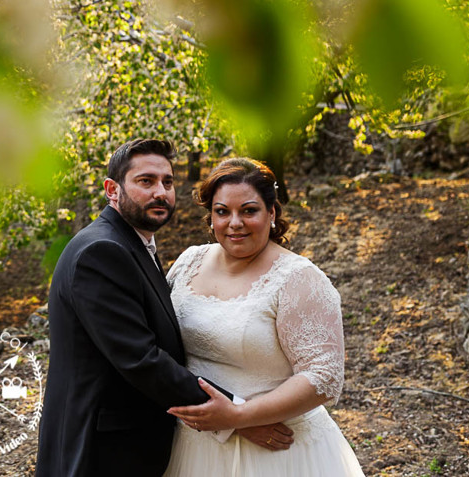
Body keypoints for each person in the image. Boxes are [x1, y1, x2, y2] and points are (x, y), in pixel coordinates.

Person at [35, 139, 291, 477]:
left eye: (167, 182)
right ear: (112, 190)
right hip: (101, 453)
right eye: (146, 181)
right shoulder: (102, 252)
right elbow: (141, 359)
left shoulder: (132, 243)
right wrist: (233, 414)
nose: (161, 192)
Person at [163, 157, 365, 476]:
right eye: (222, 211)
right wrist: (226, 423)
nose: (235, 222)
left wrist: (240, 416)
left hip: (276, 453)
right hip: (191, 443)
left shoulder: (298, 279)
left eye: (248, 210)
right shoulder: (189, 261)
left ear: (271, 213)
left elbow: (323, 376)